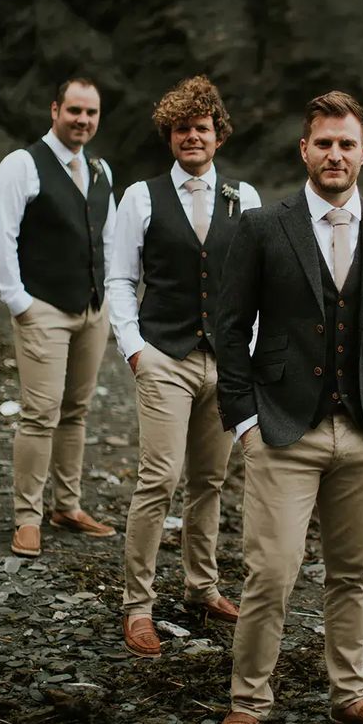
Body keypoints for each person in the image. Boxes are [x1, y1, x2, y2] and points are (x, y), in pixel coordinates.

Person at [213, 90, 363, 724]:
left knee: (351, 571)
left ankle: (350, 692)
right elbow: (228, 327)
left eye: (346, 143)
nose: (335, 153)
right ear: (304, 150)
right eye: (323, 142)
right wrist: (243, 417)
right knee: (270, 572)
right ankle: (248, 702)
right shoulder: (261, 226)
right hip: (280, 427)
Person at [106, 74, 261, 659]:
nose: (191, 137)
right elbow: (121, 278)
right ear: (169, 136)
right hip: (165, 357)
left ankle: (203, 587)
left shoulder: (244, 200)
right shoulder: (140, 196)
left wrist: (249, 353)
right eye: (180, 129)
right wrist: (135, 349)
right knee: (159, 479)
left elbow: (256, 287)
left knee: (211, 481)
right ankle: (137, 605)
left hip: (224, 365)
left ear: (217, 135)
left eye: (201, 127)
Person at [0, 76, 117, 558]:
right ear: (54, 109)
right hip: (42, 307)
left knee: (77, 411)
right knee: (40, 413)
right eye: (74, 111)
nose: (83, 120)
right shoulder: (21, 165)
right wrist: (17, 301)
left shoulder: (102, 171)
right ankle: (27, 516)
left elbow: (110, 239)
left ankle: (68, 505)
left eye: (91, 113)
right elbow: (1, 236)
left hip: (92, 308)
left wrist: (110, 301)